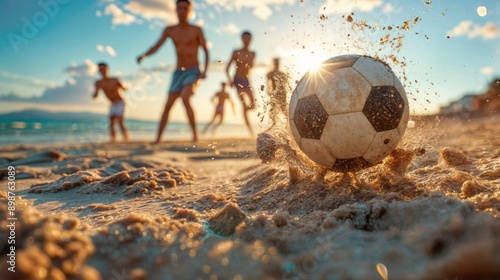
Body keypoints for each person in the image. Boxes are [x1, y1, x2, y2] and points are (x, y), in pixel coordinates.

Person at [137, 0, 209, 143]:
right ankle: (158, 139)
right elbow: (157, 45)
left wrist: (204, 71)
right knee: (168, 105)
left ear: (189, 11)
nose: (182, 11)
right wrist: (145, 55)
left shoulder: (196, 30)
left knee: (185, 97)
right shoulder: (170, 30)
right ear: (175, 10)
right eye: (179, 8)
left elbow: (206, 51)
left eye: (185, 9)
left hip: (193, 70)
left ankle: (195, 136)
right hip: (178, 72)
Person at [226, 31, 256, 135]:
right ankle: (250, 130)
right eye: (245, 38)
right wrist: (230, 80)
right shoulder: (236, 52)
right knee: (243, 104)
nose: (246, 40)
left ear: (251, 40)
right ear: (241, 39)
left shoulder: (253, 54)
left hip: (246, 80)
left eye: (248, 38)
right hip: (237, 80)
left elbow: (251, 68)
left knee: (253, 105)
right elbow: (227, 68)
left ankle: (245, 112)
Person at [93, 62, 130, 142]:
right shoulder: (98, 83)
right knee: (112, 122)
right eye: (100, 69)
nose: (102, 70)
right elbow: (95, 95)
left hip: (120, 102)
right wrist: (94, 95)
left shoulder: (115, 80)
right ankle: (113, 140)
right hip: (112, 103)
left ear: (107, 69)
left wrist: (121, 85)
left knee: (120, 121)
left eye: (103, 68)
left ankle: (126, 139)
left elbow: (125, 88)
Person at [266, 58, 290, 127]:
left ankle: (288, 124)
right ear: (273, 63)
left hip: (282, 93)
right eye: (275, 63)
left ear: (279, 63)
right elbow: (268, 83)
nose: (276, 64)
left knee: (284, 109)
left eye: (277, 63)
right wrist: (268, 90)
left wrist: (286, 93)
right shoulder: (270, 74)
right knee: (273, 109)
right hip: (274, 93)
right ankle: (273, 125)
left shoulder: (282, 73)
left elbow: (286, 84)